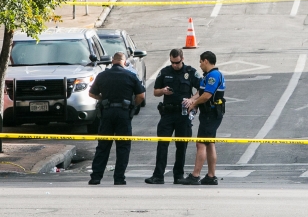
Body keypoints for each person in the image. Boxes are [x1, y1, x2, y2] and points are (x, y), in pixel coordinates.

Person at [88, 52, 145, 185]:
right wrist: (132, 105)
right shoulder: (130, 75)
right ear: (124, 62)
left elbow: (91, 93)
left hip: (107, 113)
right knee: (123, 147)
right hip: (123, 114)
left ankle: (96, 177)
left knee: (103, 146)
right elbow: (141, 95)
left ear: (113, 61)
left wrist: (103, 99)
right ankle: (119, 178)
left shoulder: (102, 75)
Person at [145, 49, 199, 185]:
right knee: (162, 144)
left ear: (182, 58)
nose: (175, 65)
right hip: (167, 113)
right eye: (172, 62)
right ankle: (158, 175)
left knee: (182, 146)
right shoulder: (165, 72)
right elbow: (155, 91)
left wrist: (192, 99)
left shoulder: (190, 72)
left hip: (183, 114)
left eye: (177, 62)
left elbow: (202, 89)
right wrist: (162, 91)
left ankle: (178, 175)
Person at [182, 51, 225, 185]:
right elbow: (200, 92)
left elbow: (206, 95)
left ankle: (195, 176)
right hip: (208, 113)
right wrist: (191, 100)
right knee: (209, 143)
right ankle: (211, 176)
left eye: (200, 62)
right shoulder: (207, 76)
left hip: (211, 114)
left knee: (201, 143)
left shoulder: (213, 76)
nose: (200, 65)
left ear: (206, 61)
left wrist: (194, 104)